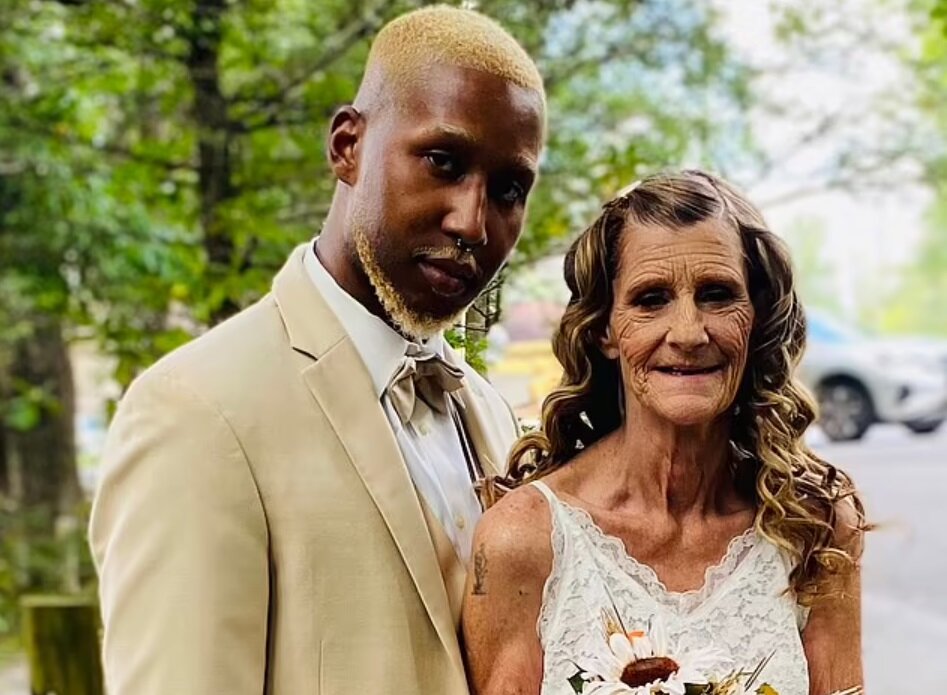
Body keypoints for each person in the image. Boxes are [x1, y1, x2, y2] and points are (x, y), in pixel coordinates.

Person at [89, 6, 545, 694]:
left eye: (509, 189)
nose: (472, 222)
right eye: (442, 162)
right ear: (346, 145)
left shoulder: (490, 414)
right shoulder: (197, 411)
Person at [463, 170, 867, 695]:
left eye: (717, 295)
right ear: (605, 328)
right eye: (651, 299)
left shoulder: (814, 525)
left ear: (757, 317)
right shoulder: (523, 540)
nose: (689, 333)